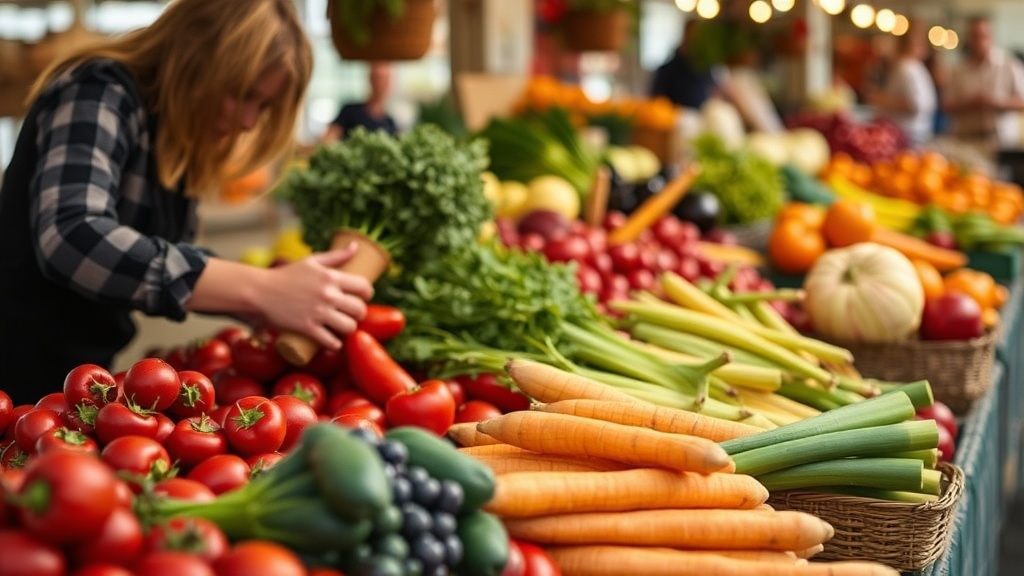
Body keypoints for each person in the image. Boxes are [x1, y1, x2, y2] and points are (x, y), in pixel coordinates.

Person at [0, 0, 374, 406]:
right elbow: (74, 236)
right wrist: (259, 289)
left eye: (262, 105)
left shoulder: (175, 134)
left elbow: (157, 256)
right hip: (11, 368)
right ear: (191, 55)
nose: (249, 121)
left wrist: (264, 298)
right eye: (241, 94)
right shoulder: (96, 90)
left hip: (76, 377)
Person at [943, 15, 1024, 155]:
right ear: (968, 38)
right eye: (975, 36)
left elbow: (1022, 102)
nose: (979, 41)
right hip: (966, 140)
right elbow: (947, 105)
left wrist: (997, 103)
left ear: (992, 37)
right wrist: (969, 103)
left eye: (983, 36)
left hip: (1001, 141)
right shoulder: (957, 69)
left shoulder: (1009, 65)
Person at [866, 24, 937, 146]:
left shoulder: (909, 67)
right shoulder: (909, 67)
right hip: (911, 132)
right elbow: (918, 103)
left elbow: (915, 104)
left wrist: (879, 99)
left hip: (911, 133)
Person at [649, 19, 721, 111]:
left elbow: (715, 91)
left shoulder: (706, 68)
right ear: (685, 35)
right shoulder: (667, 70)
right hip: (675, 121)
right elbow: (655, 103)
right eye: (692, 36)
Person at [320, 61, 397, 144]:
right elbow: (327, 141)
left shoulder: (390, 123)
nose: (381, 84)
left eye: (386, 79)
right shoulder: (349, 111)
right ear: (370, 79)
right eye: (378, 78)